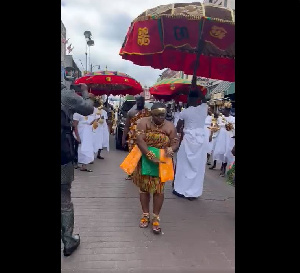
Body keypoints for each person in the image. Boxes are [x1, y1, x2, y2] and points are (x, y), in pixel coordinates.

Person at [134, 103, 179, 234]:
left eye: (163, 115)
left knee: (159, 189)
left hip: (162, 160)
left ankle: (156, 217)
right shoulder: (143, 122)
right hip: (145, 157)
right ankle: (145, 215)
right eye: (158, 115)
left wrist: (172, 148)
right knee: (144, 188)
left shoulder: (170, 126)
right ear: (151, 114)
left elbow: (175, 141)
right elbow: (140, 140)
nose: (161, 117)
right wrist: (148, 155)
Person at [61, 83, 94, 256]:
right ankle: (68, 240)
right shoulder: (66, 95)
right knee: (64, 199)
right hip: (62, 154)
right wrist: (84, 91)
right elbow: (88, 109)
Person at [173, 89, 208, 201]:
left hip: (188, 140)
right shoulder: (203, 109)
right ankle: (193, 192)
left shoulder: (185, 112)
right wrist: (200, 94)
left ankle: (181, 190)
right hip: (201, 141)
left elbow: (178, 128)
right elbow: (205, 101)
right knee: (197, 167)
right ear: (198, 99)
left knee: (184, 165)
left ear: (188, 99)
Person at [122, 96, 151, 180]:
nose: (140, 103)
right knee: (132, 155)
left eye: (142, 101)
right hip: (133, 137)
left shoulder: (148, 113)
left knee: (143, 154)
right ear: (136, 102)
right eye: (138, 101)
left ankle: (142, 173)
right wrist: (124, 138)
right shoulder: (131, 112)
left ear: (144, 102)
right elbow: (127, 126)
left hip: (144, 137)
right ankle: (130, 173)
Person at [210, 101, 235, 176]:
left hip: (229, 137)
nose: (222, 111)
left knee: (227, 152)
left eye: (224, 109)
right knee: (221, 151)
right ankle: (222, 168)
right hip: (221, 136)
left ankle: (224, 168)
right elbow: (216, 126)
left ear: (227, 110)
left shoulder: (233, 119)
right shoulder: (220, 118)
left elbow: (233, 129)